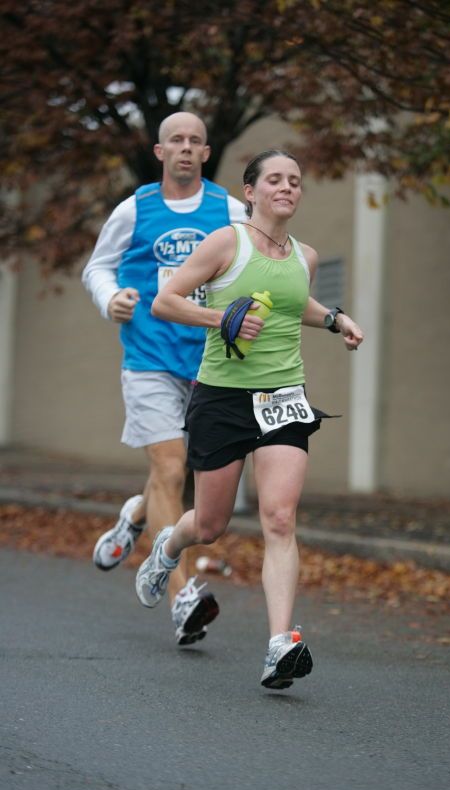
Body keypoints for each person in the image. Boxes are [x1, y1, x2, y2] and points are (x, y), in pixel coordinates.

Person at [134, 149, 364, 689]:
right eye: (275, 180)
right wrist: (223, 318)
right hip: (222, 397)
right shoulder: (225, 242)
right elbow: (165, 302)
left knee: (280, 518)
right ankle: (166, 549)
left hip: (283, 395)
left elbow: (294, 304)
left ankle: (279, 645)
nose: (287, 188)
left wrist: (334, 318)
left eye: (296, 181)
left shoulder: (302, 256)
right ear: (250, 191)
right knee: (209, 527)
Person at [81, 112, 247, 646]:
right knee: (171, 469)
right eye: (175, 140)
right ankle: (181, 596)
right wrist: (113, 298)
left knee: (191, 477)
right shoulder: (135, 209)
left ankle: (135, 513)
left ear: (205, 152)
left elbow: (257, 264)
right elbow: (97, 267)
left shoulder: (231, 211)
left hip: (211, 364)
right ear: (159, 151)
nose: (185, 148)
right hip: (149, 359)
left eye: (195, 141)